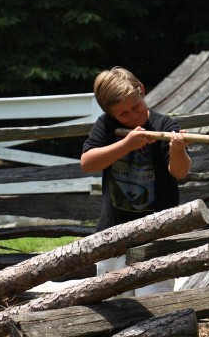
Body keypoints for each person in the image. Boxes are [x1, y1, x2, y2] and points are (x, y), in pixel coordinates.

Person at [80, 66, 191, 297]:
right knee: (112, 304)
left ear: (142, 90)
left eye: (136, 106)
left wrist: (178, 150)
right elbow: (88, 163)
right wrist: (126, 144)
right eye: (123, 114)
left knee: (155, 304)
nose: (132, 115)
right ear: (111, 114)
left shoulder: (164, 126)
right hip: (113, 236)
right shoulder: (107, 126)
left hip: (158, 236)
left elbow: (179, 172)